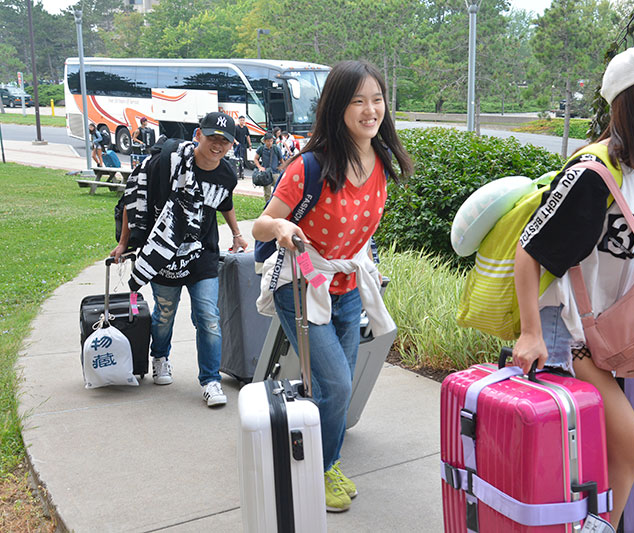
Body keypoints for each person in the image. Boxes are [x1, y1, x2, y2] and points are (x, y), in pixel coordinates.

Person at [510, 44, 634, 529]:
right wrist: (532, 334)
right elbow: (529, 250)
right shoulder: (591, 173)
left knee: (596, 458)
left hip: (596, 338)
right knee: (630, 450)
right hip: (565, 338)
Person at [252, 60, 412, 512]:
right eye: (358, 100)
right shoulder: (310, 166)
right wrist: (282, 229)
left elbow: (365, 228)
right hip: (302, 286)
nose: (370, 109)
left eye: (377, 99)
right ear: (337, 107)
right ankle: (316, 471)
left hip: (344, 288)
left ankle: (326, 460)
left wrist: (369, 264)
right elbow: (262, 224)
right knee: (338, 386)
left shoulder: (379, 160)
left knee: (334, 387)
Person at [110, 111, 249, 407]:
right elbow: (133, 200)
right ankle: (160, 356)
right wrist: (124, 243)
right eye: (212, 137)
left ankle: (210, 380)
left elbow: (224, 202)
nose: (217, 145)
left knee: (209, 317)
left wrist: (236, 233)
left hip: (202, 254)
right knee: (164, 316)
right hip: (164, 254)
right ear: (198, 135)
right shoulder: (166, 163)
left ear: (232, 145)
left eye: (225, 141)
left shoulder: (225, 173)